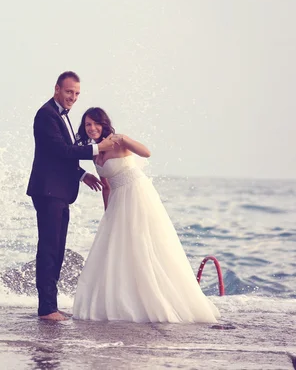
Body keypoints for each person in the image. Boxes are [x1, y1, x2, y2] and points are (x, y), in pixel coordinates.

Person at [72, 107, 220, 323]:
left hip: (136, 193)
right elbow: (106, 187)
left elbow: (146, 153)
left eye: (96, 123)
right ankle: (124, 301)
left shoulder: (118, 141)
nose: (92, 128)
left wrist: (124, 138)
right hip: (117, 201)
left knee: (143, 243)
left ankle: (158, 300)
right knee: (118, 249)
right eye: (88, 125)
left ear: (104, 124)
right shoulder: (95, 153)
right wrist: (108, 215)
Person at [26, 72, 119, 321]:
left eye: (77, 93)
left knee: (57, 248)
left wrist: (81, 175)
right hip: (48, 192)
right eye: (69, 92)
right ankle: (46, 309)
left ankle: (51, 306)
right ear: (57, 89)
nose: (73, 98)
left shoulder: (61, 116)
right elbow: (61, 150)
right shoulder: (46, 115)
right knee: (49, 249)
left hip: (59, 191)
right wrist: (99, 148)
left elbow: (58, 157)